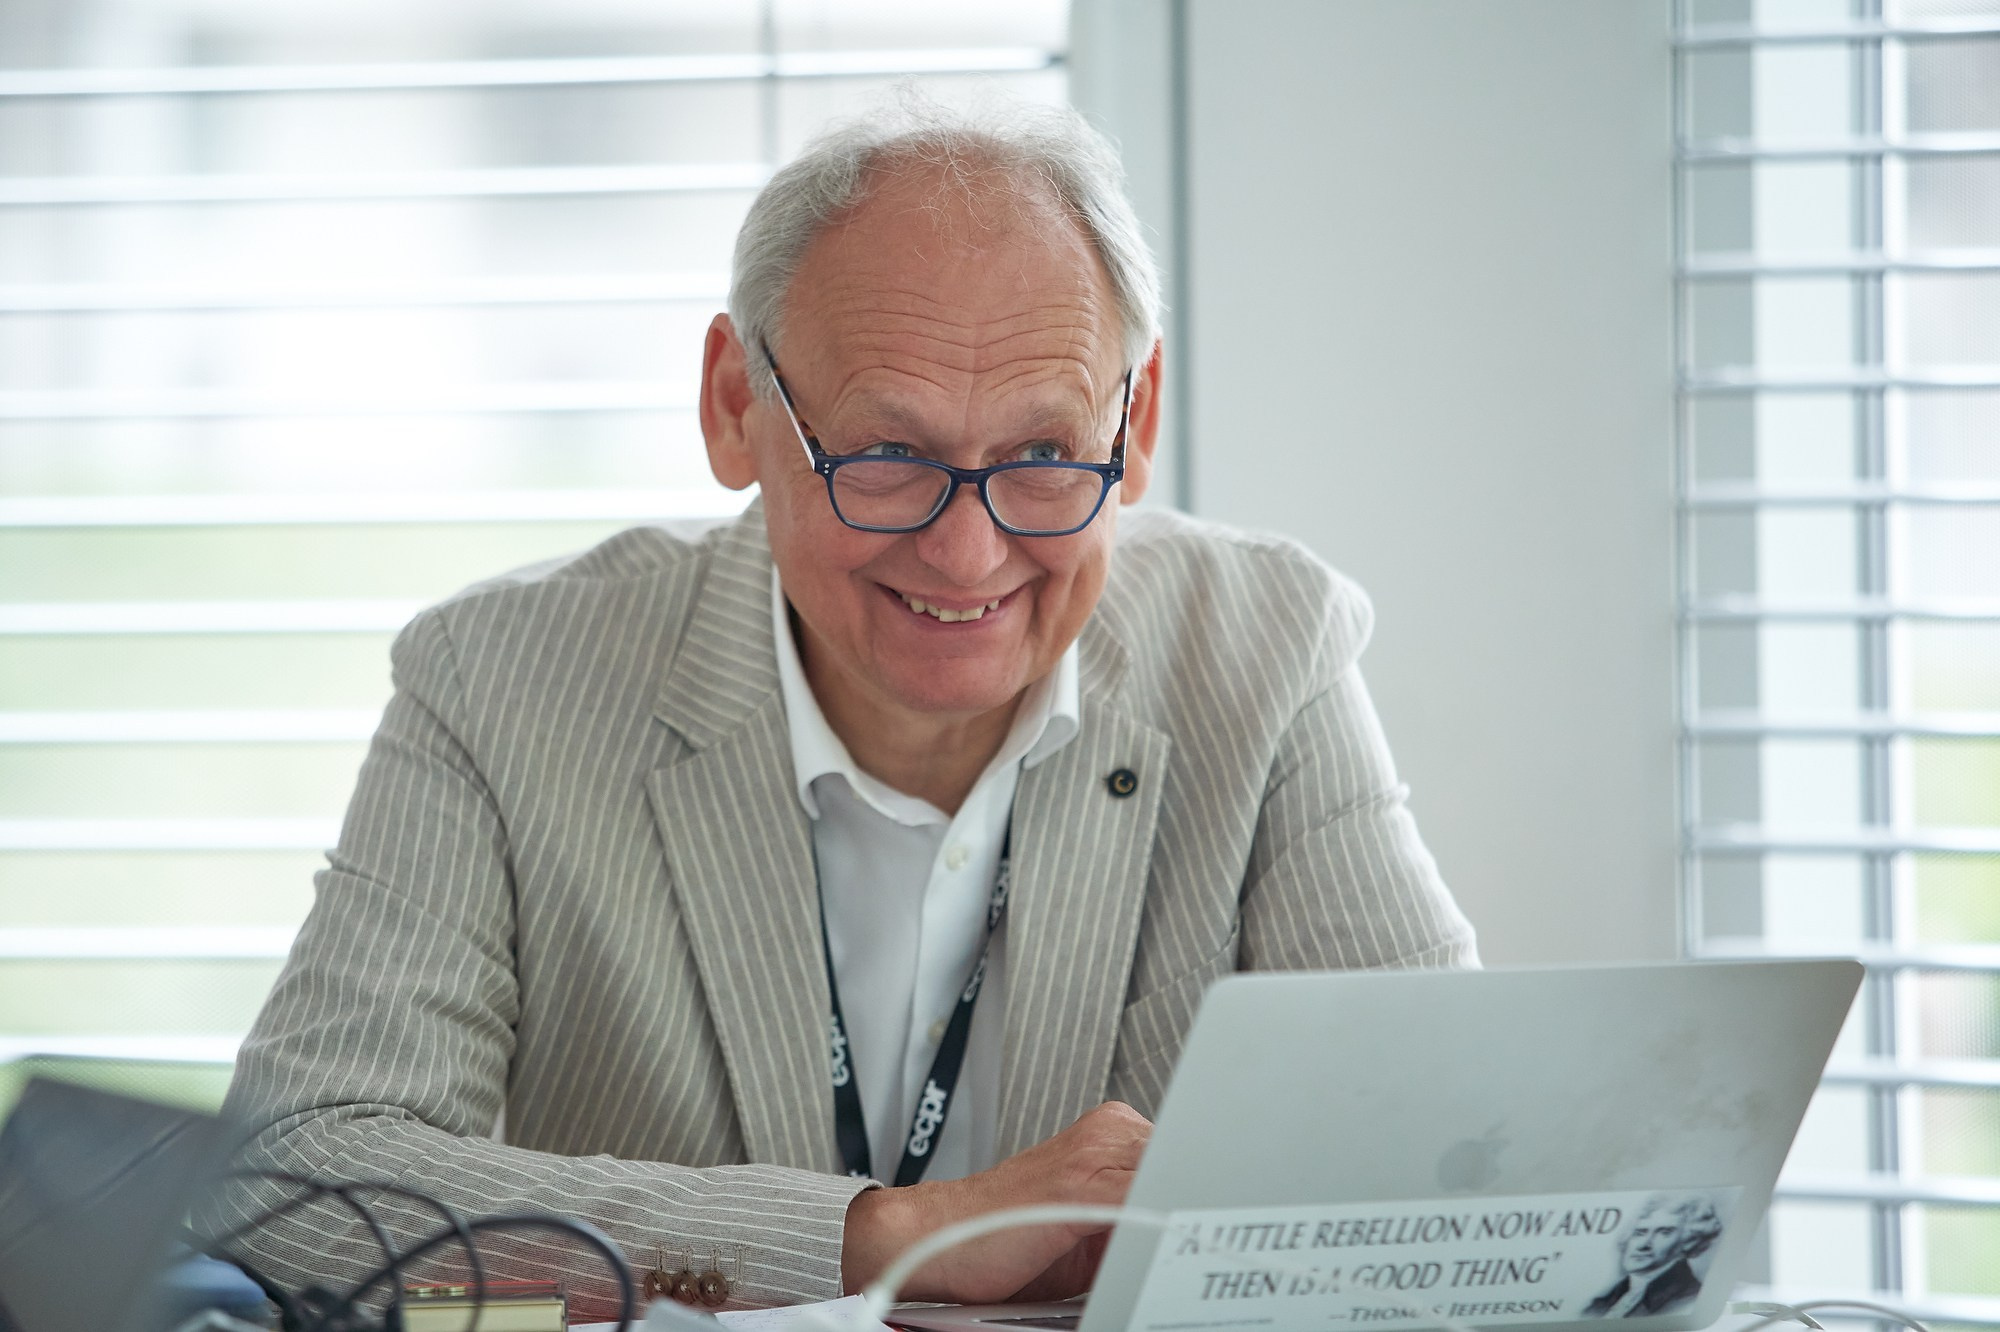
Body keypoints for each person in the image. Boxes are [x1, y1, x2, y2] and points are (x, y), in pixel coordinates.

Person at [212, 97, 1475, 1315]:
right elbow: (294, 1173)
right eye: (885, 459)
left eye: (1041, 460)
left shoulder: (1267, 651)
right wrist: (886, 1237)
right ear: (734, 409)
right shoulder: (500, 682)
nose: (969, 557)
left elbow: (1465, 1155)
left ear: (1132, 426)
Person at [1583, 1195, 1722, 1318]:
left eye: (1664, 1232)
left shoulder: (1689, 1301)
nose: (1643, 1245)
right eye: (1640, 1232)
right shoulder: (1602, 1303)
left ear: (1689, 1241)